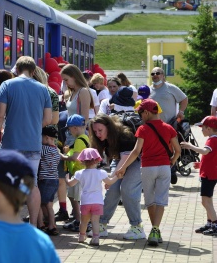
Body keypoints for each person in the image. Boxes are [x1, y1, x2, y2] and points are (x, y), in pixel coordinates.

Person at [0, 56, 52, 227]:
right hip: (33, 145)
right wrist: (31, 125)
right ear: (33, 71)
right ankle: (32, 224)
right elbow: (48, 119)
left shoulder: (7, 85)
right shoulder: (43, 89)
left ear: (16, 69)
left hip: (11, 144)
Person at [116, 99, 181, 246]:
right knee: (161, 200)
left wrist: (123, 167)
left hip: (147, 168)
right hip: (164, 168)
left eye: (140, 113)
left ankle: (154, 230)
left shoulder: (142, 129)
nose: (140, 117)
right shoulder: (169, 128)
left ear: (146, 112)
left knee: (150, 200)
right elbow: (178, 150)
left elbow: (136, 151)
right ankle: (155, 230)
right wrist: (172, 161)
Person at [88, 114, 145, 240]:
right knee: (112, 189)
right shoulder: (101, 139)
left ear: (109, 127)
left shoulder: (124, 135)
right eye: (95, 131)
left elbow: (124, 164)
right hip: (119, 159)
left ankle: (137, 227)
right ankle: (101, 224)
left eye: (100, 130)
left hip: (136, 159)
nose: (97, 134)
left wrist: (111, 179)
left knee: (127, 189)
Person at [66, 148, 118, 246]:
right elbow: (110, 182)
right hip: (97, 202)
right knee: (95, 221)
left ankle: (81, 236)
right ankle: (95, 238)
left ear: (83, 161)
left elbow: (71, 184)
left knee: (84, 221)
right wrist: (117, 177)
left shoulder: (80, 173)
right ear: (97, 160)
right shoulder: (101, 173)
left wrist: (66, 179)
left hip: (85, 201)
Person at [181, 116, 217, 236]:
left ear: (209, 128)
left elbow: (205, 151)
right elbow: (210, 157)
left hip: (209, 175)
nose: (201, 130)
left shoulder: (212, 140)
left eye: (202, 128)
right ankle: (210, 223)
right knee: (208, 200)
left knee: (205, 201)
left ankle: (215, 224)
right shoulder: (213, 139)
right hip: (209, 173)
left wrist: (190, 146)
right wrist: (200, 164)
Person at [60, 114, 89, 232]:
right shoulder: (85, 137)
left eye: (69, 128)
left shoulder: (79, 140)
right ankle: (79, 220)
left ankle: (79, 221)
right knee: (73, 196)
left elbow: (76, 157)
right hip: (80, 172)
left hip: (78, 172)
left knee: (75, 197)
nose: (69, 131)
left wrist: (63, 157)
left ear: (75, 128)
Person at [37, 125, 60, 236]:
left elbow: (35, 156)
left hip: (45, 179)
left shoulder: (43, 148)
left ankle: (41, 224)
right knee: (49, 205)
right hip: (55, 180)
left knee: (39, 203)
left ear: (46, 137)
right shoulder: (56, 150)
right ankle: (52, 225)